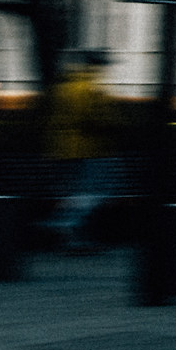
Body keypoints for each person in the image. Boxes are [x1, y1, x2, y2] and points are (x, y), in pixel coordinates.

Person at [42, 51, 120, 251]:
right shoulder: (90, 88)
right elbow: (95, 118)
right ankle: (64, 223)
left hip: (63, 149)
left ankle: (75, 237)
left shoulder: (65, 87)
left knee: (77, 192)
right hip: (88, 149)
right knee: (92, 192)